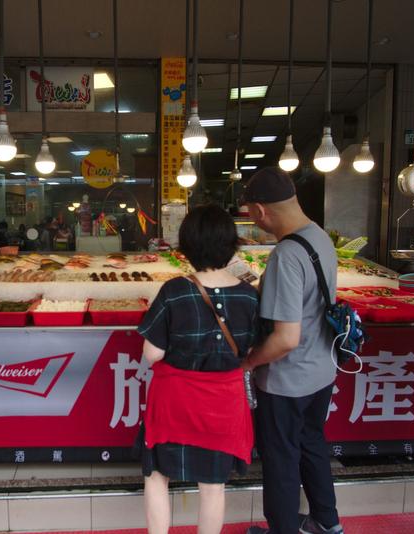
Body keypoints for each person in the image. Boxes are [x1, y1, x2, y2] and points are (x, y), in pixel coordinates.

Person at [137, 204, 259, 534]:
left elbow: (152, 354)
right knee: (213, 485)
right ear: (232, 245)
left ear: (186, 247)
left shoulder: (175, 291)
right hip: (223, 405)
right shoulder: (249, 295)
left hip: (176, 402)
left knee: (158, 475)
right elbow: (249, 351)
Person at [241, 167, 343, 534]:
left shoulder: (286, 254)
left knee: (281, 460)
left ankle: (282, 529)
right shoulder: (319, 236)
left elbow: (285, 339)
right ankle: (327, 523)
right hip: (321, 370)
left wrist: (248, 363)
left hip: (287, 380)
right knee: (312, 445)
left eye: (250, 212)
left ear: (260, 211)